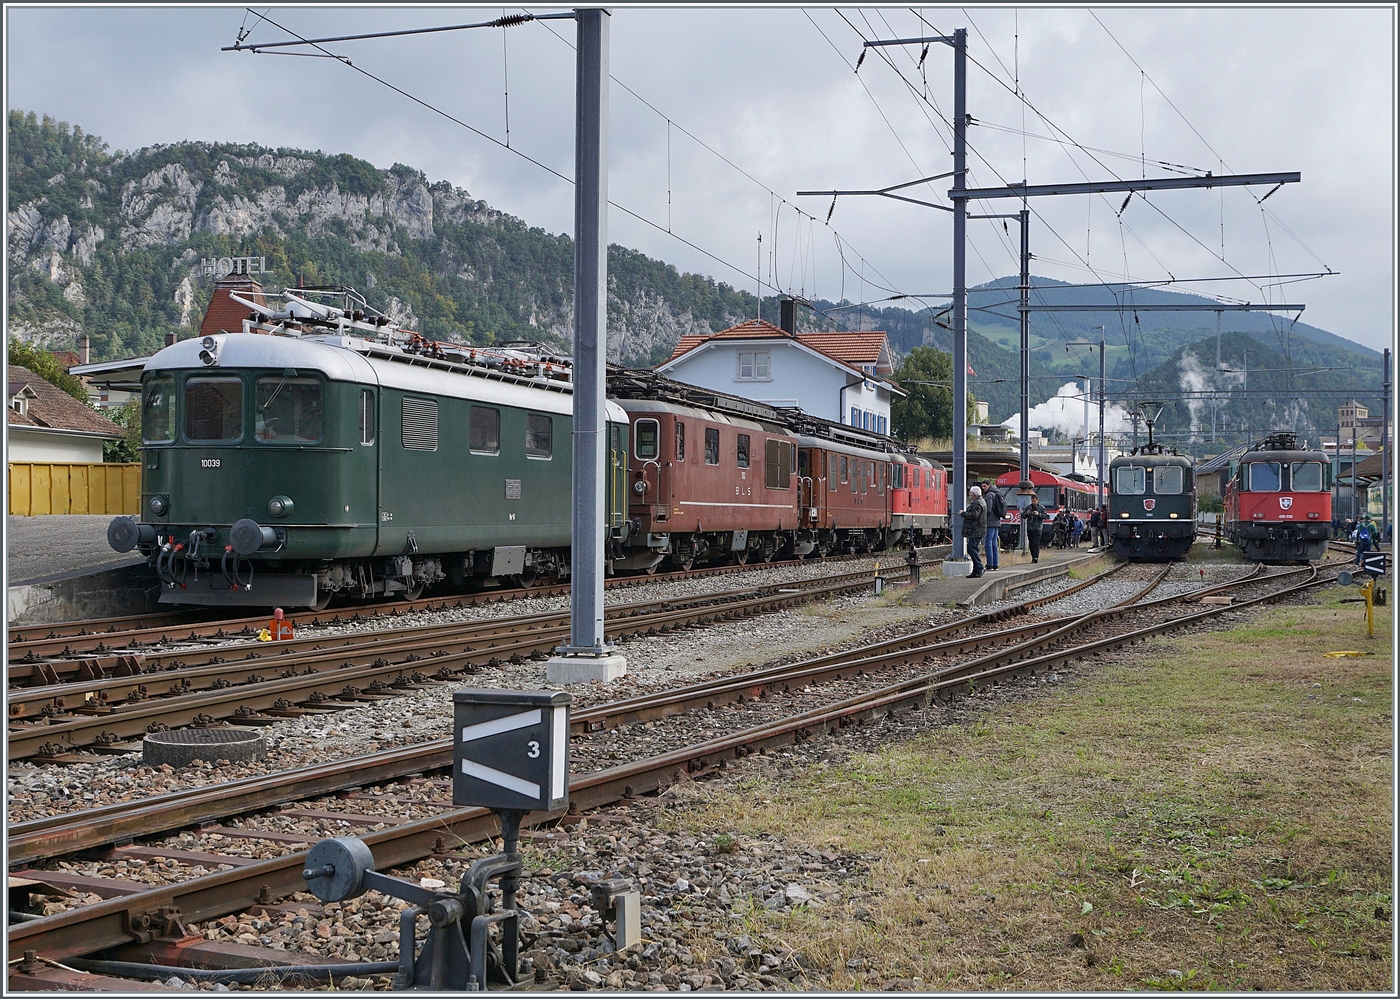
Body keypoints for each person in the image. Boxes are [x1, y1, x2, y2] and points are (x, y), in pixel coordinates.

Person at [959, 486, 987, 577]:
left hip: (976, 530)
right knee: (973, 548)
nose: (969, 494)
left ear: (974, 494)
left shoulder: (977, 503)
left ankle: (979, 567)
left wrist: (963, 513)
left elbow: (974, 515)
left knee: (971, 548)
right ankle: (976, 570)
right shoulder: (980, 501)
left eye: (970, 493)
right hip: (978, 529)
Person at [982, 480, 1005, 571]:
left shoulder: (989, 495)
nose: (983, 488)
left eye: (984, 486)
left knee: (988, 543)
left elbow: (988, 509)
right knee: (994, 543)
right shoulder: (997, 493)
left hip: (990, 522)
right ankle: (995, 565)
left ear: (989, 485)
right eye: (982, 486)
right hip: (997, 521)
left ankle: (990, 564)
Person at [1023, 495, 1047, 563]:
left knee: (1036, 543)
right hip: (1030, 528)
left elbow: (1045, 516)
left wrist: (1039, 514)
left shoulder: (1041, 508)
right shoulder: (1028, 507)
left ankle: (1035, 557)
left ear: (1037, 500)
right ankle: (1033, 556)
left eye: (1034, 501)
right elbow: (1023, 515)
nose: (1033, 502)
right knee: (1031, 543)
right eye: (1032, 501)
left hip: (1038, 528)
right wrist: (1027, 513)